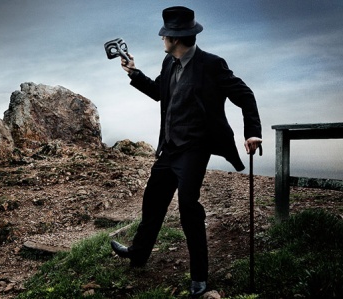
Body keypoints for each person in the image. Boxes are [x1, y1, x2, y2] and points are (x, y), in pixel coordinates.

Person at [110, 6, 262, 297]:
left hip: (194, 149)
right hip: (169, 149)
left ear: (175, 39)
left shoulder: (211, 65)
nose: (162, 40)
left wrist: (252, 131)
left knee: (188, 208)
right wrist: (134, 73)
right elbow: (159, 93)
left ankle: (199, 277)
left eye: (164, 35)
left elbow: (245, 95)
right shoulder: (169, 64)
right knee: (153, 201)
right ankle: (138, 253)